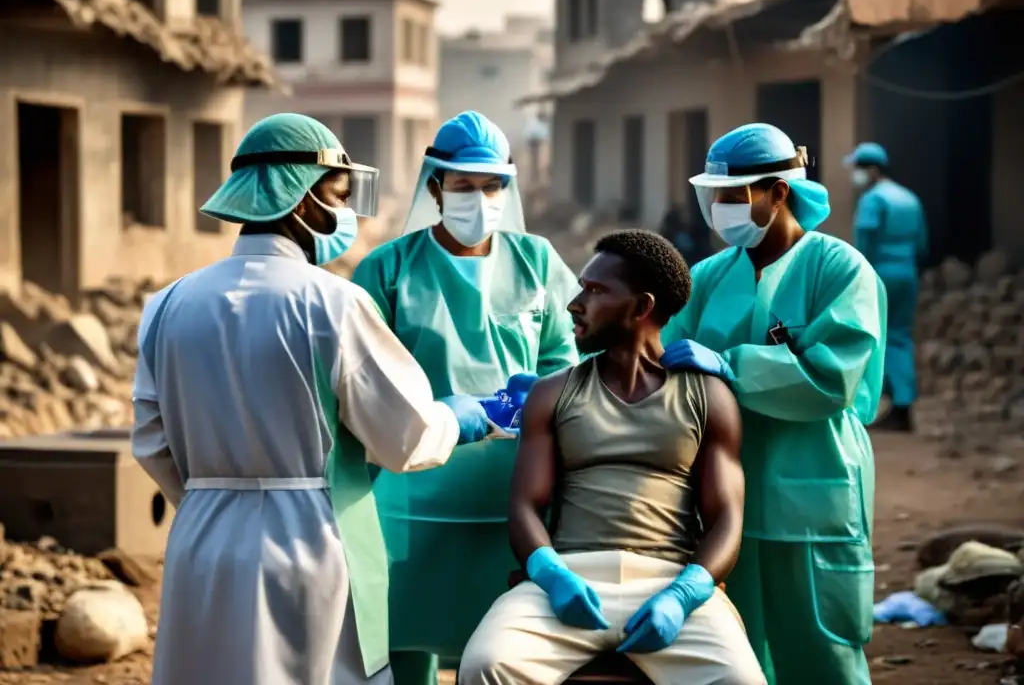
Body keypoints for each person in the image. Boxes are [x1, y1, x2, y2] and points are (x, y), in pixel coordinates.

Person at [131, 113, 492, 685]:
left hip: (201, 540)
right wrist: (457, 417)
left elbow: (151, 444)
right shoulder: (332, 304)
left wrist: (212, 497)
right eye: (340, 196)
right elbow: (406, 437)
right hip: (308, 538)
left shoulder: (167, 306)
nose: (348, 213)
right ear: (301, 203)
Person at [458, 229, 765, 685]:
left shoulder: (709, 397)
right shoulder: (553, 392)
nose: (574, 304)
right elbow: (525, 505)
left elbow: (726, 518)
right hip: (569, 575)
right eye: (581, 287)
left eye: (596, 290)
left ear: (642, 307)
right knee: (486, 665)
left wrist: (684, 595)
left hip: (670, 580)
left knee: (741, 680)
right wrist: (550, 575)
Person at [351, 110, 580, 685]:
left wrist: (542, 397)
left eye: (491, 185)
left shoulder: (539, 262)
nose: (479, 199)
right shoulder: (390, 270)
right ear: (435, 185)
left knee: (505, 639)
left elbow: (566, 358)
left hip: (515, 481)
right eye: (463, 186)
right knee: (406, 630)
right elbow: (361, 378)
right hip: (412, 486)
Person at [659, 123, 886, 685]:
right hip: (724, 498)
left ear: (778, 192)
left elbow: (833, 379)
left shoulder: (838, 269)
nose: (719, 209)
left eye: (734, 196)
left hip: (813, 494)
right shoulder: (708, 277)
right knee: (737, 651)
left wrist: (732, 366)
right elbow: (663, 364)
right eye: (714, 196)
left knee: (822, 649)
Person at [847, 142, 928, 433]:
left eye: (856, 169)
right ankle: (902, 403)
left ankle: (897, 404)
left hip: (880, 276)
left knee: (881, 339)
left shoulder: (872, 200)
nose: (854, 176)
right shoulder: (909, 198)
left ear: (871, 169)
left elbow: (864, 243)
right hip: (908, 274)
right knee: (901, 336)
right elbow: (922, 244)